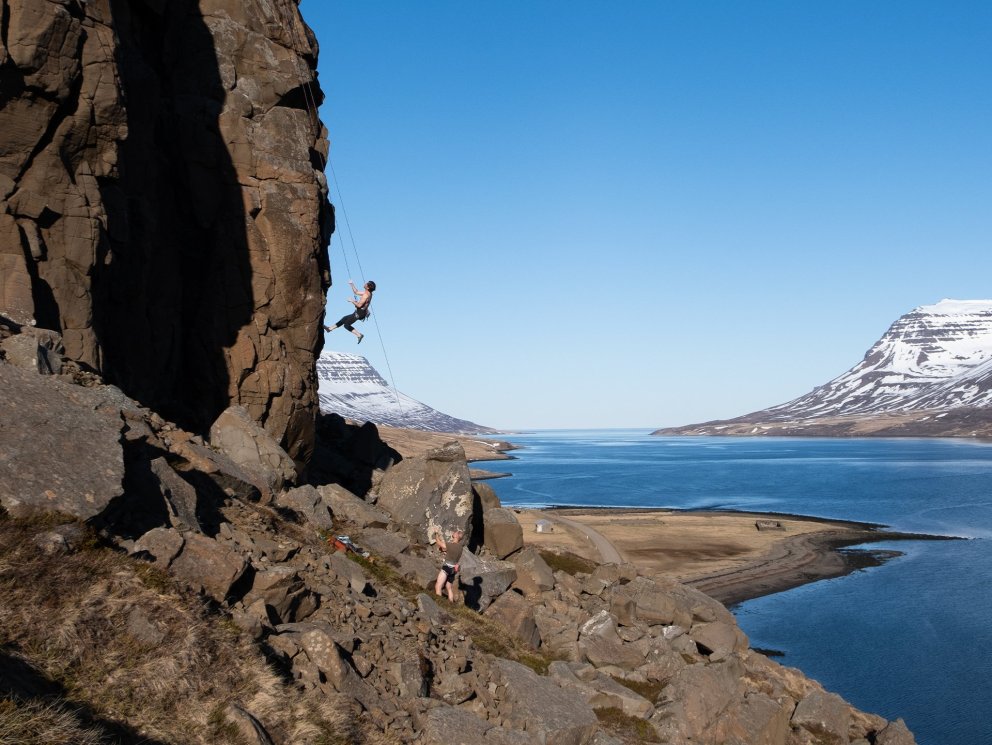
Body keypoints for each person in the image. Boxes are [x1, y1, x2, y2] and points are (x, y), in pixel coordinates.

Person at [324, 279, 376, 344]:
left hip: (360, 313)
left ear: (368, 287)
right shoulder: (368, 293)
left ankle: (359, 335)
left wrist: (352, 301)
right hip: (361, 312)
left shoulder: (366, 295)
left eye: (366, 283)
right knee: (344, 319)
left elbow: (359, 305)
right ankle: (329, 329)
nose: (365, 284)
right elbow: (356, 292)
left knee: (346, 325)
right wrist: (351, 284)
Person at [433, 528, 465, 602]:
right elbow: (449, 551)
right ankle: (450, 604)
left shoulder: (451, 545)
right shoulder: (460, 548)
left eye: (456, 532)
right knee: (449, 587)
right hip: (453, 570)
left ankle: (439, 603)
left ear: (456, 536)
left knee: (438, 586)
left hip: (447, 567)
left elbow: (439, 543)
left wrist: (436, 534)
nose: (454, 532)